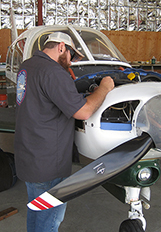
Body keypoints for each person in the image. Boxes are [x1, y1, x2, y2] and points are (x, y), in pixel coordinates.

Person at [14, 32, 114, 232]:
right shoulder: (53, 73)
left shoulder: (27, 66)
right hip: (49, 163)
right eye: (71, 56)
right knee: (49, 222)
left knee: (36, 211)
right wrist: (104, 88)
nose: (71, 62)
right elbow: (83, 112)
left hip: (29, 156)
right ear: (61, 47)